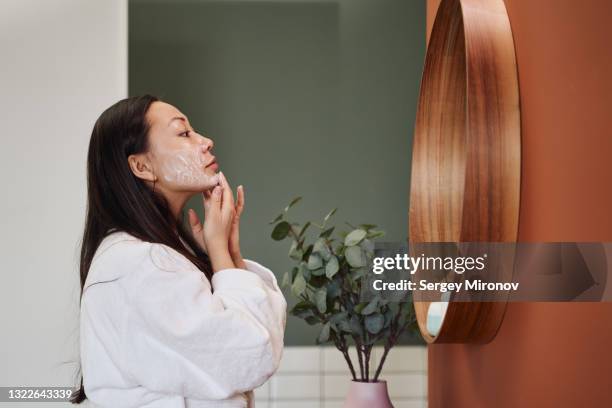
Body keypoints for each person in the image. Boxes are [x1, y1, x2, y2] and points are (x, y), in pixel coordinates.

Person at [70, 95, 287, 407]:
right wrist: (219, 252)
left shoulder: (150, 256)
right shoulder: (139, 263)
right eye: (184, 134)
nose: (206, 141)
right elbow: (251, 356)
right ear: (141, 165)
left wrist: (227, 252)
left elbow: (259, 343)